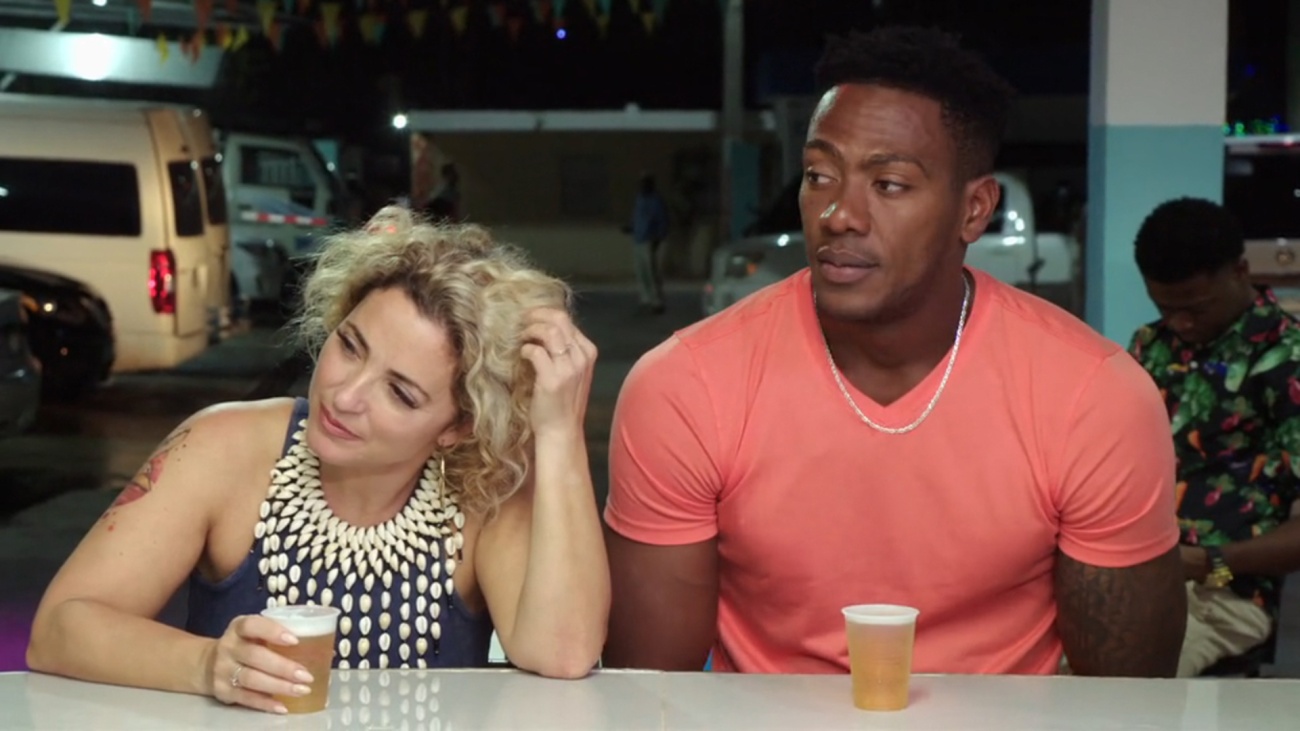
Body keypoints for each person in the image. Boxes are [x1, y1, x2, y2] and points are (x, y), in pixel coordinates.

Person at [602, 26, 1186, 677]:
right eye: (819, 175)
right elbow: (648, 687)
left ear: (975, 210)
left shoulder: (1094, 397)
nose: (839, 215)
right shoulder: (686, 386)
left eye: (889, 184)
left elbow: (1128, 696)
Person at [27, 206, 610, 713]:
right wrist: (206, 665)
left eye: (400, 392)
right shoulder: (221, 445)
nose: (345, 395)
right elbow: (59, 628)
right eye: (350, 346)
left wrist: (559, 434)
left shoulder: (481, 490)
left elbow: (562, 654)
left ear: (456, 428)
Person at [1127, 197, 1300, 677]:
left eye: (1196, 308)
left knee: (1125, 673)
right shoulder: (1150, 346)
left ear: (1241, 271)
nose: (1181, 323)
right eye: (1166, 308)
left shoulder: (1287, 361)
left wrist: (1206, 562)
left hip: (1224, 591)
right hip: (1126, 573)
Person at [629, 173, 669, 314]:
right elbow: (637, 217)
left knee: (651, 272)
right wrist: (631, 227)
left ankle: (657, 300)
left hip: (649, 240)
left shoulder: (655, 201)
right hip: (638, 239)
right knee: (641, 271)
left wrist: (658, 238)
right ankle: (645, 298)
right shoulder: (640, 199)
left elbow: (661, 220)